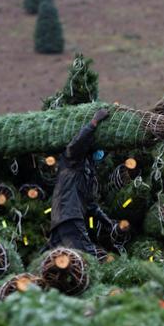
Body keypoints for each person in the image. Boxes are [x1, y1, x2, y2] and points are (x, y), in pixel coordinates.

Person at [47, 108, 116, 256]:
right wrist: (94, 122)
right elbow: (76, 144)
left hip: (63, 219)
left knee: (59, 259)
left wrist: (106, 220)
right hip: (69, 215)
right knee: (87, 257)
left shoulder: (88, 169)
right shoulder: (73, 160)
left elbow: (89, 203)